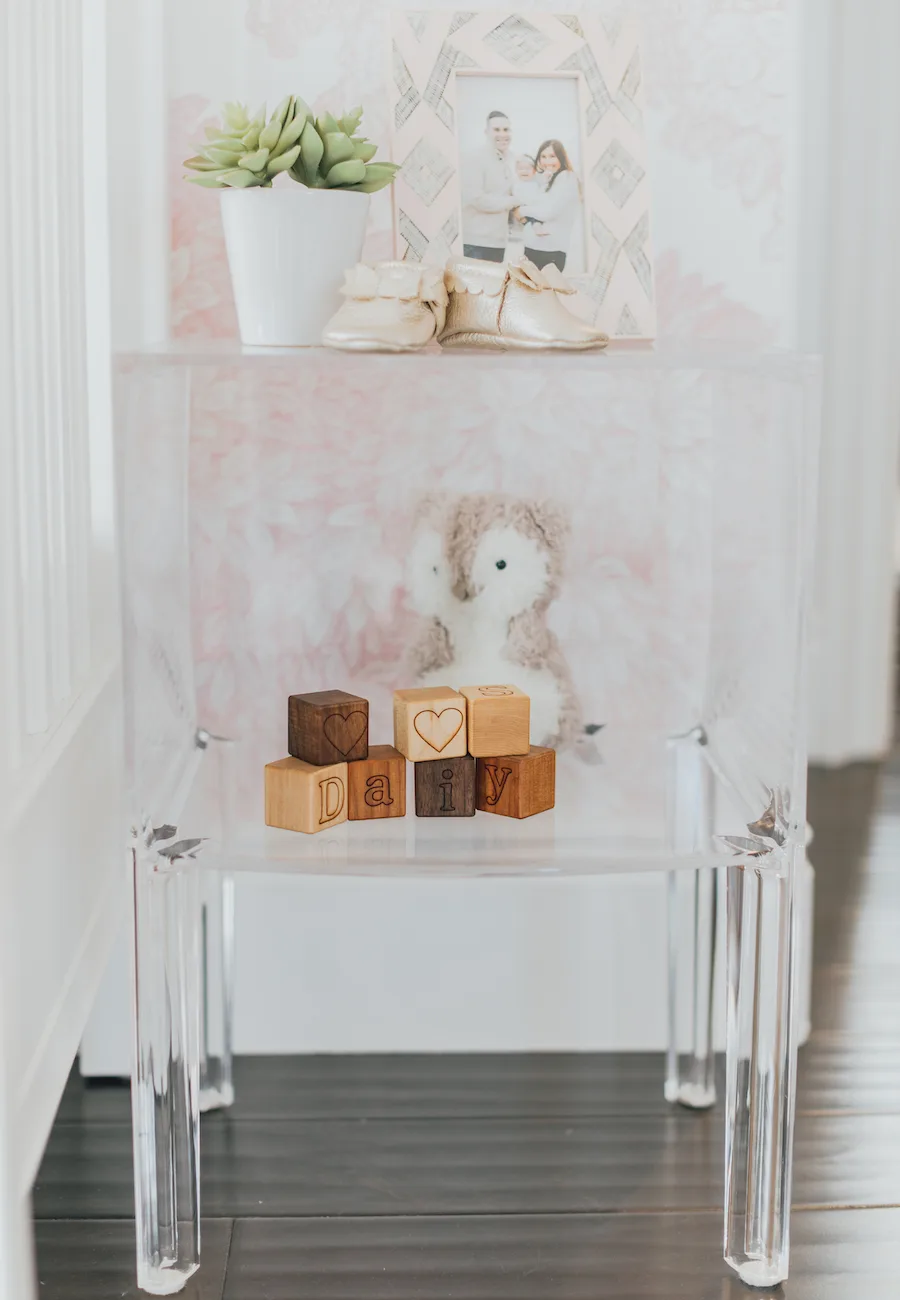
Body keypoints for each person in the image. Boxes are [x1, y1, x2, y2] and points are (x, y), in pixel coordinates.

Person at [515, 139, 581, 273]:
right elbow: (536, 204)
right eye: (543, 157)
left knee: (545, 293)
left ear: (561, 158)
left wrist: (522, 210)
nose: (547, 162)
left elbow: (547, 212)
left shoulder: (567, 177)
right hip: (534, 250)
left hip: (550, 253)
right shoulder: (549, 179)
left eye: (552, 156)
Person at [461, 111, 518, 263]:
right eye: (497, 130)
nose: (502, 134)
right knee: (472, 286)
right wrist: (512, 201)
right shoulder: (474, 158)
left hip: (499, 241)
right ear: (486, 132)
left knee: (494, 286)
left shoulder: (512, 159)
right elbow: (476, 199)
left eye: (506, 130)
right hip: (475, 242)